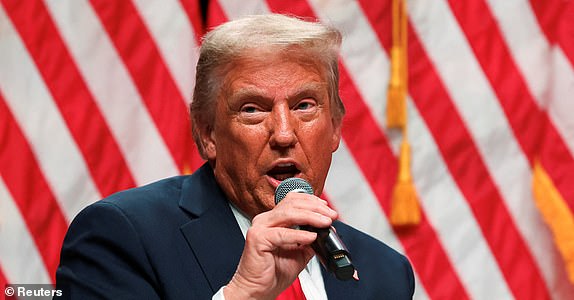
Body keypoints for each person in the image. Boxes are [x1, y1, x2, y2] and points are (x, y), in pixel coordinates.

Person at [55, 14, 415, 299]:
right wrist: (242, 296)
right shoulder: (121, 238)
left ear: (335, 127)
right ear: (208, 133)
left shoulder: (383, 273)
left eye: (305, 105)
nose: (285, 134)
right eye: (253, 110)